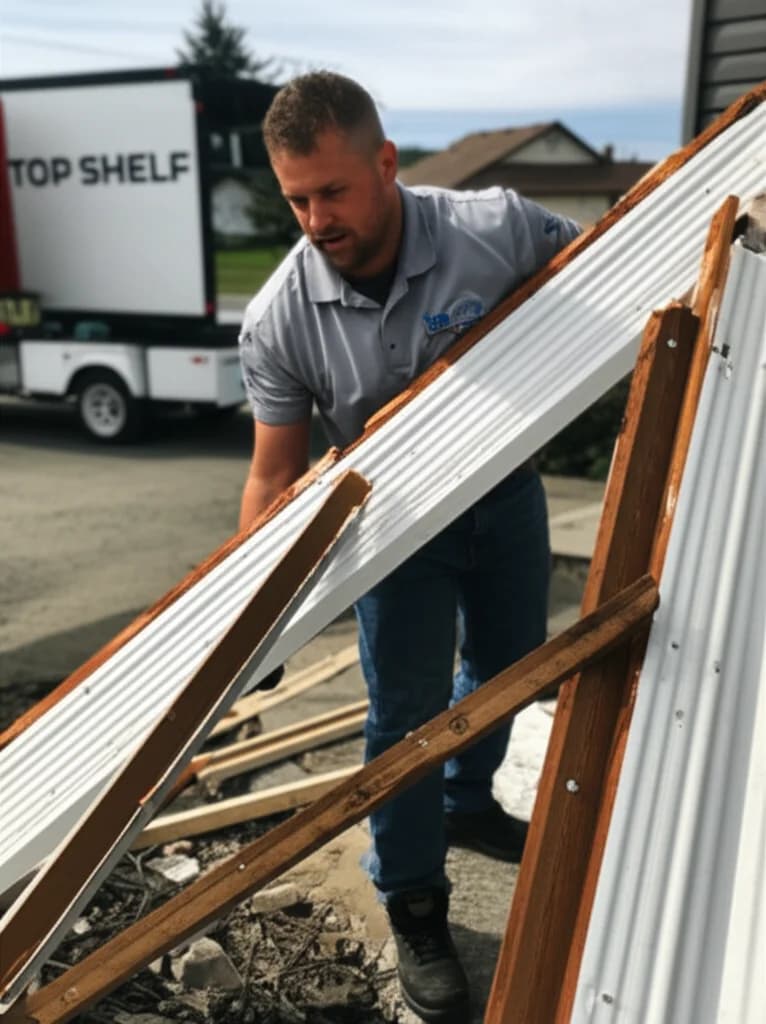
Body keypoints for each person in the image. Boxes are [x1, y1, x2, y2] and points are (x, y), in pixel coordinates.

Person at [238, 71, 579, 1024]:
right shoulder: (280, 317)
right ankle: (416, 902)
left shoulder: (496, 229)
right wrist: (255, 614)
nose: (316, 221)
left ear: (386, 162)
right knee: (405, 715)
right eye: (296, 200)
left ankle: (466, 799)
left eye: (333, 192)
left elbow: (616, 265)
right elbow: (273, 474)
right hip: (394, 533)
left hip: (505, 494)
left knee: (513, 664)